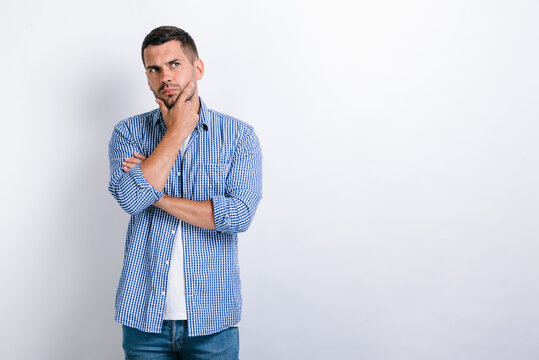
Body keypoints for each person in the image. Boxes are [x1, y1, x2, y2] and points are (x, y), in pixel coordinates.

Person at [107, 25, 262, 359]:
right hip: (143, 317)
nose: (166, 76)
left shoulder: (238, 137)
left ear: (198, 68)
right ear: (147, 77)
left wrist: (155, 193)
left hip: (212, 321)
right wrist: (176, 133)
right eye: (154, 69)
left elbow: (237, 215)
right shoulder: (128, 133)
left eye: (175, 64)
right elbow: (130, 199)